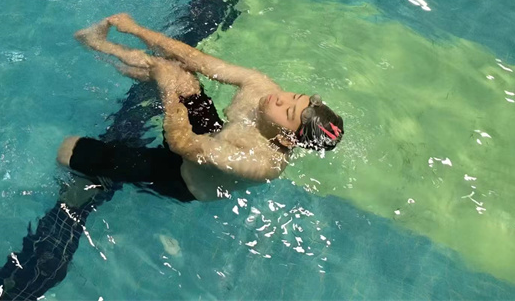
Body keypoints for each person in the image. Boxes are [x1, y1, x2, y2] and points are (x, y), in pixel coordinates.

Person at [58, 14, 344, 203]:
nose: (281, 99)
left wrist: (168, 91)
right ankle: (97, 44)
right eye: (295, 96)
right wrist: (136, 29)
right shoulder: (264, 90)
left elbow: (182, 144)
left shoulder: (261, 163)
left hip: (184, 176)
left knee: (68, 150)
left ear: (285, 137)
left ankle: (92, 181)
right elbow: (197, 60)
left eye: (288, 111)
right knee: (179, 73)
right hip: (212, 137)